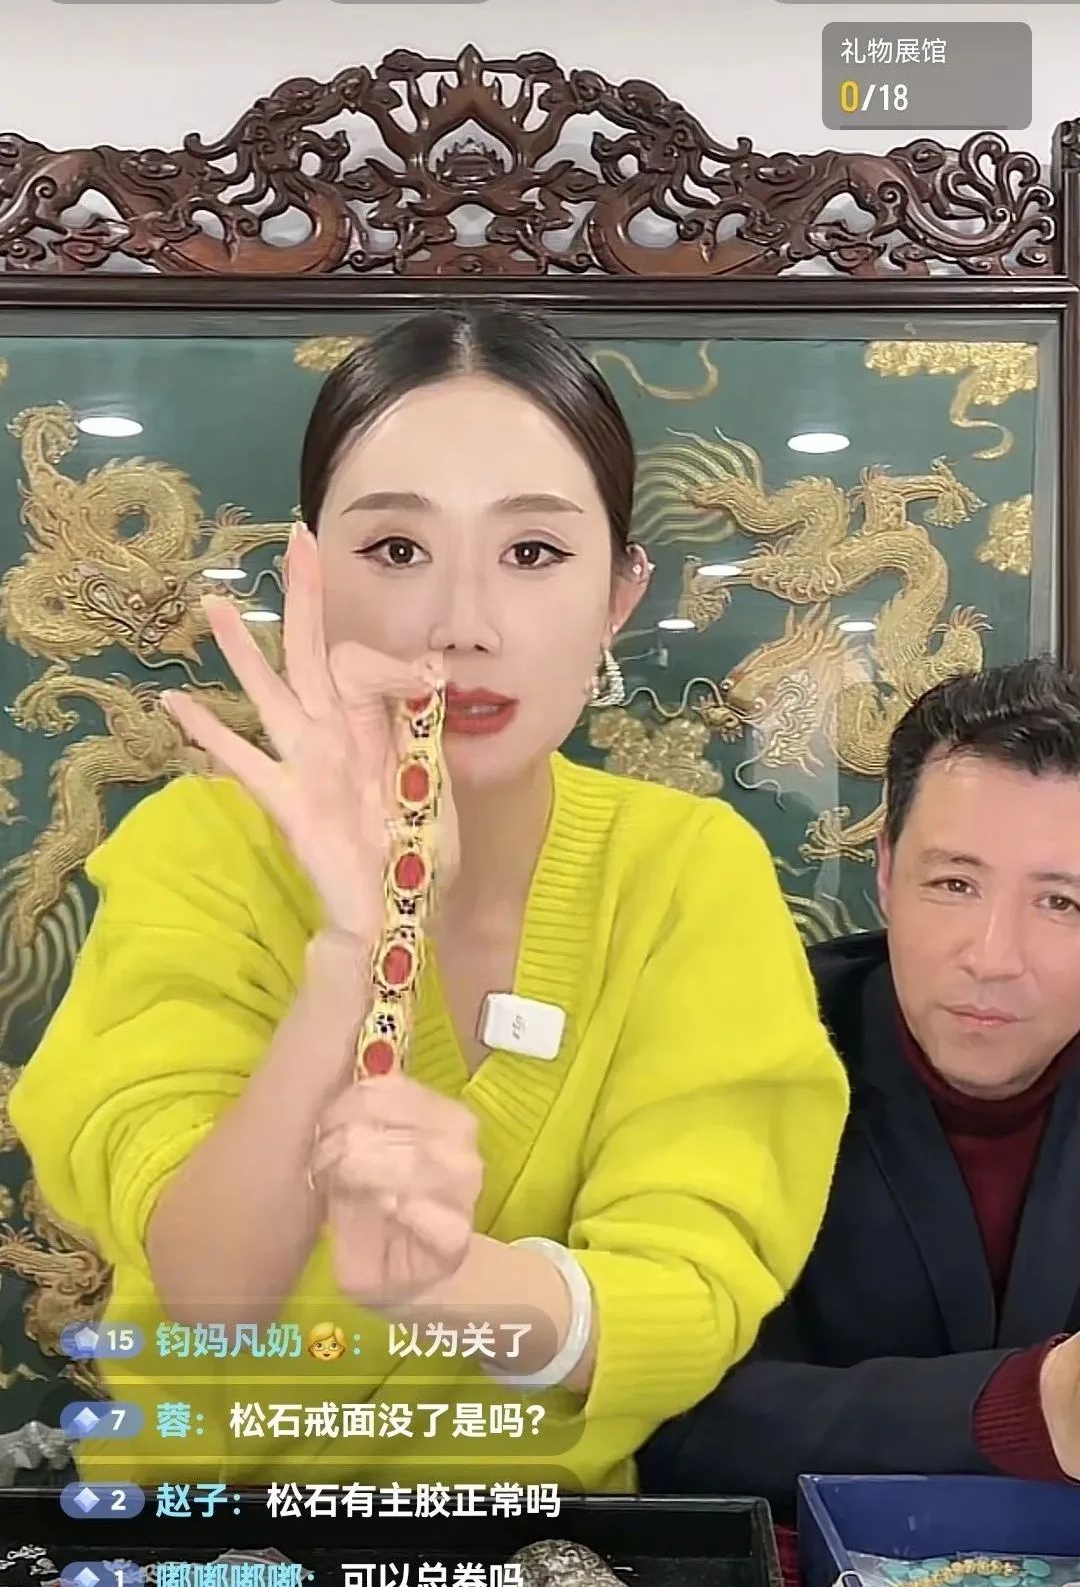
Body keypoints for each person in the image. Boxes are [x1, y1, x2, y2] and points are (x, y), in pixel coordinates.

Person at [10, 307, 848, 1491]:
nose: (463, 625)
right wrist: (352, 947)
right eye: (397, 548)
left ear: (620, 592)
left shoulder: (688, 869)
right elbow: (209, 1288)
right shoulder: (195, 853)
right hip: (207, 1547)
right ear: (309, 576)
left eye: (534, 551)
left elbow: (692, 1288)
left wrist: (451, 1281)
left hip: (544, 1558)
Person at [641, 659, 1080, 1515]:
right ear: (884, 871)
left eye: (1062, 903)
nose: (993, 957)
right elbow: (667, 1415)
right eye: (954, 884)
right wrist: (1030, 1407)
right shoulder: (739, 1052)